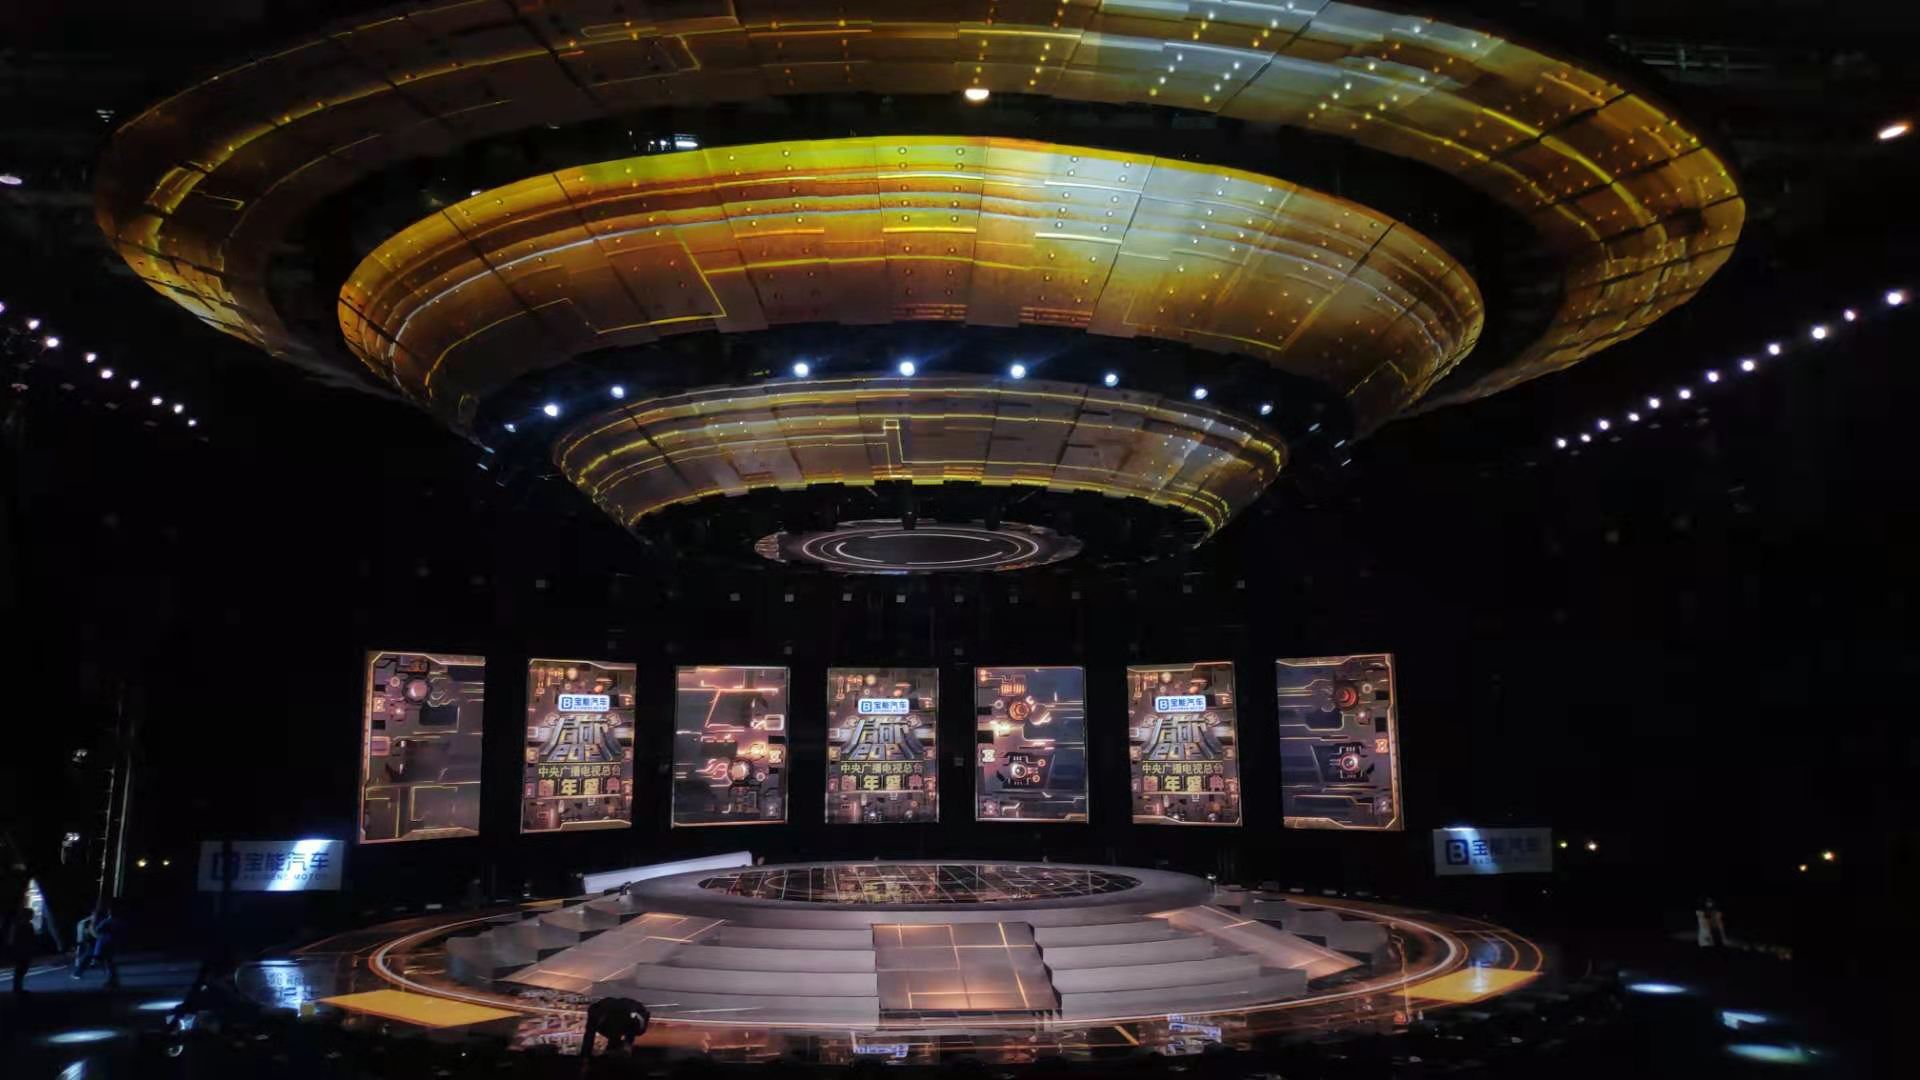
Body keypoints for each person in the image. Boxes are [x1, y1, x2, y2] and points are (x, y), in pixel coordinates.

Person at [579, 996, 649, 1060]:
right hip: (616, 1012)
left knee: (631, 1030)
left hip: (628, 1012)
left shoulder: (636, 1027)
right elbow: (589, 1036)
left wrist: (585, 1056)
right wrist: (585, 1056)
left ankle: (621, 1049)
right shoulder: (600, 1023)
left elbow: (589, 1036)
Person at [74, 905, 119, 986]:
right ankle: (111, 978)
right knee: (100, 959)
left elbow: (98, 932)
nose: (93, 917)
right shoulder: (90, 922)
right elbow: (94, 933)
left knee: (106, 960)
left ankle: (112, 978)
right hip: (98, 942)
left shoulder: (106, 922)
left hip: (103, 943)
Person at [6, 905, 35, 998]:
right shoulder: (19, 925)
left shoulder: (27, 925)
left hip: (23, 949)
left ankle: (18, 988)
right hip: (20, 950)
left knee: (22, 969)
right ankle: (17, 988)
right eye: (31, 914)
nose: (32, 916)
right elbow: (12, 939)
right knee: (20, 969)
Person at [71, 909, 96, 976]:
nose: (94, 916)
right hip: (84, 939)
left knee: (83, 951)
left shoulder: (82, 922)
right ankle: (89, 963)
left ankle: (79, 965)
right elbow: (88, 931)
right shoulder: (87, 922)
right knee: (87, 952)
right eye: (93, 915)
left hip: (82, 938)